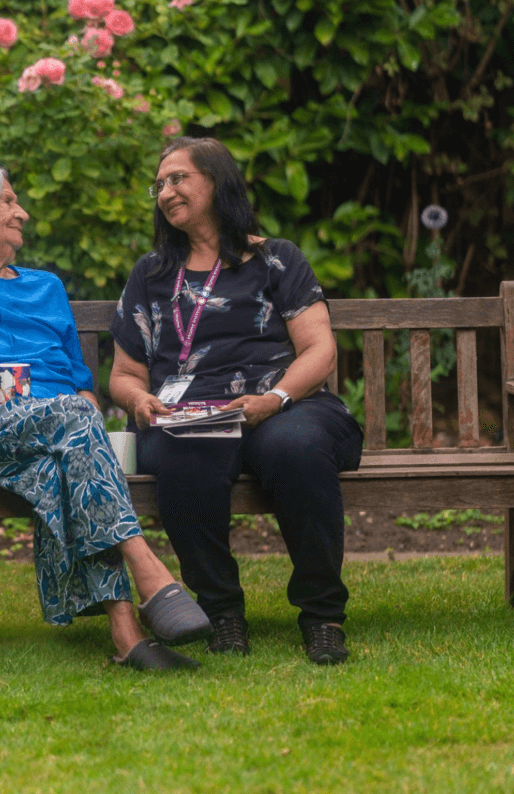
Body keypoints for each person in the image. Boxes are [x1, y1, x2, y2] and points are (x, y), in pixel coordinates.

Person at [0, 162, 212, 670]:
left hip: (56, 434)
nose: (21, 212)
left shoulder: (45, 287)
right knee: (73, 419)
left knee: (68, 456)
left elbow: (80, 385)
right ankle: (150, 572)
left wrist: (92, 427)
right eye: (8, 202)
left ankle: (126, 634)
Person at [108, 138, 364, 665]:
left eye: (178, 178)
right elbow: (124, 373)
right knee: (181, 458)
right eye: (159, 184)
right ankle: (222, 613)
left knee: (295, 449)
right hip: (189, 417)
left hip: (284, 403)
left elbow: (320, 349)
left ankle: (322, 617)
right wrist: (140, 400)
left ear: (217, 182)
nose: (165, 191)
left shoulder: (275, 259)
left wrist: (273, 398)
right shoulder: (151, 275)